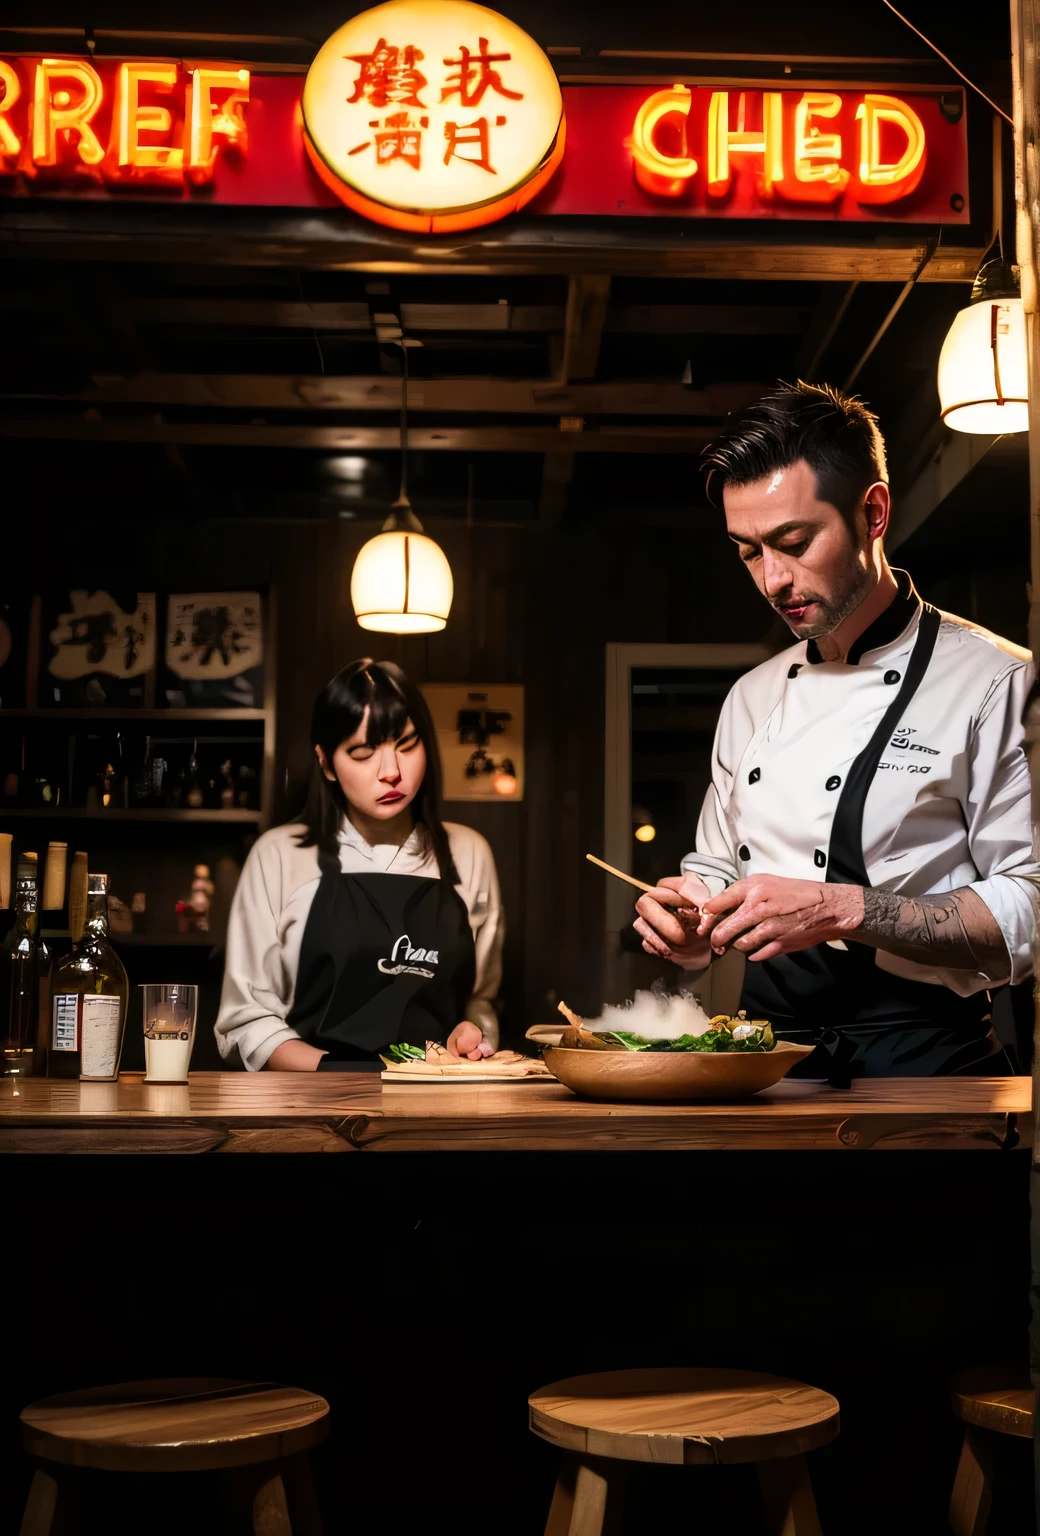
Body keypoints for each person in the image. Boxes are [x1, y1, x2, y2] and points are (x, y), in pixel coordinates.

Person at [634, 381, 1040, 1078]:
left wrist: (842, 909)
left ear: (872, 512)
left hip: (927, 1069)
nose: (771, 579)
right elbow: (715, 867)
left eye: (793, 542)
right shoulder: (752, 696)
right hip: (765, 1066)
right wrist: (689, 920)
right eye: (747, 551)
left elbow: (1030, 903)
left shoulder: (997, 682)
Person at [215, 659, 503, 1070]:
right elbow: (245, 1021)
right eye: (364, 752)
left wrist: (470, 1037)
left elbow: (478, 1000)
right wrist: (341, 1073)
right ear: (326, 762)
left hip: (439, 1100)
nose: (392, 772)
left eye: (406, 745)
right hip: (308, 1104)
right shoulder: (279, 855)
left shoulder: (468, 853)